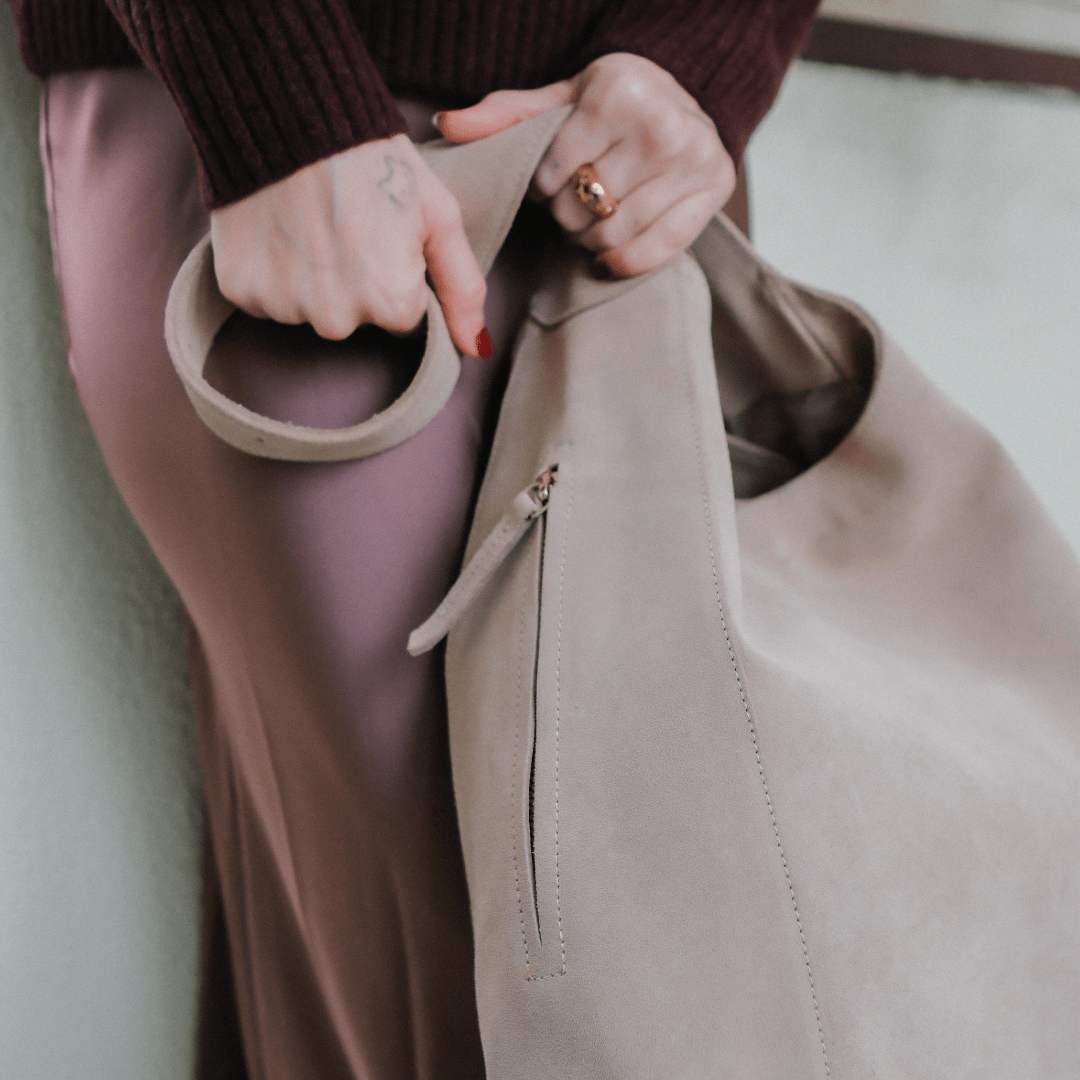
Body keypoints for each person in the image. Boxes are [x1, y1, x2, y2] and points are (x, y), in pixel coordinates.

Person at [11, 1, 821, 1076]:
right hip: (303, 159)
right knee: (473, 974)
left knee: (653, 940)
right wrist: (274, 91)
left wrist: (710, 47)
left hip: (630, 174)